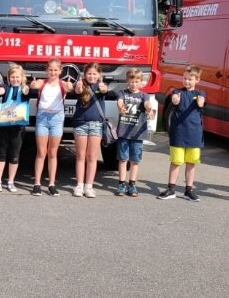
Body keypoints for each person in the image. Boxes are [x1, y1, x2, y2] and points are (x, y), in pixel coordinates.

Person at [157, 65, 206, 201]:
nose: (187, 81)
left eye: (190, 79)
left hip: (194, 134)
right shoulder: (177, 92)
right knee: (176, 161)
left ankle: (188, 190)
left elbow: (201, 102)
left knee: (191, 163)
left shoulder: (200, 94)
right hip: (178, 133)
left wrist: (201, 102)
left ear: (197, 80)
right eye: (185, 78)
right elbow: (174, 99)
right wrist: (175, 100)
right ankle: (171, 189)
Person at [30, 59, 74, 196]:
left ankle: (51, 184)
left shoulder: (63, 84)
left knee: (53, 153)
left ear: (60, 71)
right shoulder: (41, 83)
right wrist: (32, 85)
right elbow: (33, 85)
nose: (53, 72)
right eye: (50, 70)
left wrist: (70, 86)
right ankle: (37, 183)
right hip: (42, 117)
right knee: (41, 152)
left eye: (56, 70)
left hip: (57, 118)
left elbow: (70, 88)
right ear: (46, 70)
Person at [71, 62, 116, 198]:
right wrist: (78, 87)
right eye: (89, 73)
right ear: (85, 75)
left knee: (92, 157)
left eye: (94, 74)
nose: (91, 76)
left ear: (99, 75)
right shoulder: (80, 85)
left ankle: (89, 186)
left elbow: (105, 91)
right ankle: (79, 185)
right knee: (80, 156)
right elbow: (77, 92)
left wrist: (103, 88)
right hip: (80, 124)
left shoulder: (101, 86)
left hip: (96, 124)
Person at [114, 68, 152, 198]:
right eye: (131, 81)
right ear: (127, 81)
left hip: (137, 134)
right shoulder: (122, 93)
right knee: (123, 159)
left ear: (141, 82)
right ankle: (121, 183)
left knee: (135, 160)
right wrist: (121, 107)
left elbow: (147, 104)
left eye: (136, 82)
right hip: (124, 132)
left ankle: (132, 183)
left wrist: (149, 109)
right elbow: (119, 101)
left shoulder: (144, 95)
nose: (133, 84)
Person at [0, 65, 29, 192]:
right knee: (1, 152)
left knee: (15, 153)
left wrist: (26, 88)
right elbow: (0, 91)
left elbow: (26, 91)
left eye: (17, 77)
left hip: (18, 126)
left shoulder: (24, 89)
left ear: (21, 78)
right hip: (4, 125)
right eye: (12, 77)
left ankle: (11, 181)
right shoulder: (6, 88)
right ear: (8, 78)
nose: (15, 79)